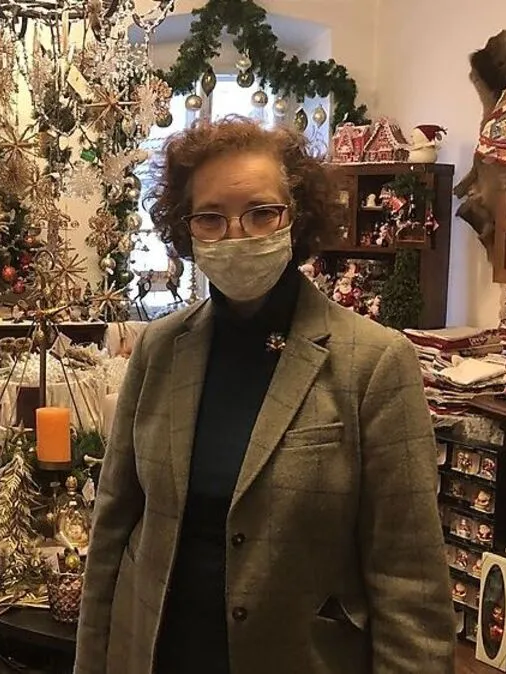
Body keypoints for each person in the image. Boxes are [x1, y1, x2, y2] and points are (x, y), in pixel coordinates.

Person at [75, 118, 453, 674]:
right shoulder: (159, 349)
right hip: (157, 652)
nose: (237, 235)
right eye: (210, 218)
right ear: (187, 230)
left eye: (261, 213)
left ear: (295, 218)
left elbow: (408, 578)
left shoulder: (373, 362)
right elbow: (113, 528)